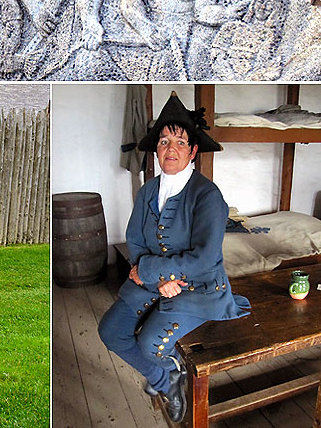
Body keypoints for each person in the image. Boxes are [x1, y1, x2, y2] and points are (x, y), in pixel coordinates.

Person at [98, 92, 250, 423]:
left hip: (199, 287)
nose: (171, 148)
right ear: (156, 149)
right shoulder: (148, 191)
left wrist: (152, 270)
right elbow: (135, 238)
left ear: (193, 150)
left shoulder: (208, 195)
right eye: (164, 141)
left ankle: (164, 371)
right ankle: (166, 378)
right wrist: (159, 277)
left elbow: (204, 257)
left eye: (180, 142)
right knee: (110, 331)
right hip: (153, 281)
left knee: (151, 344)